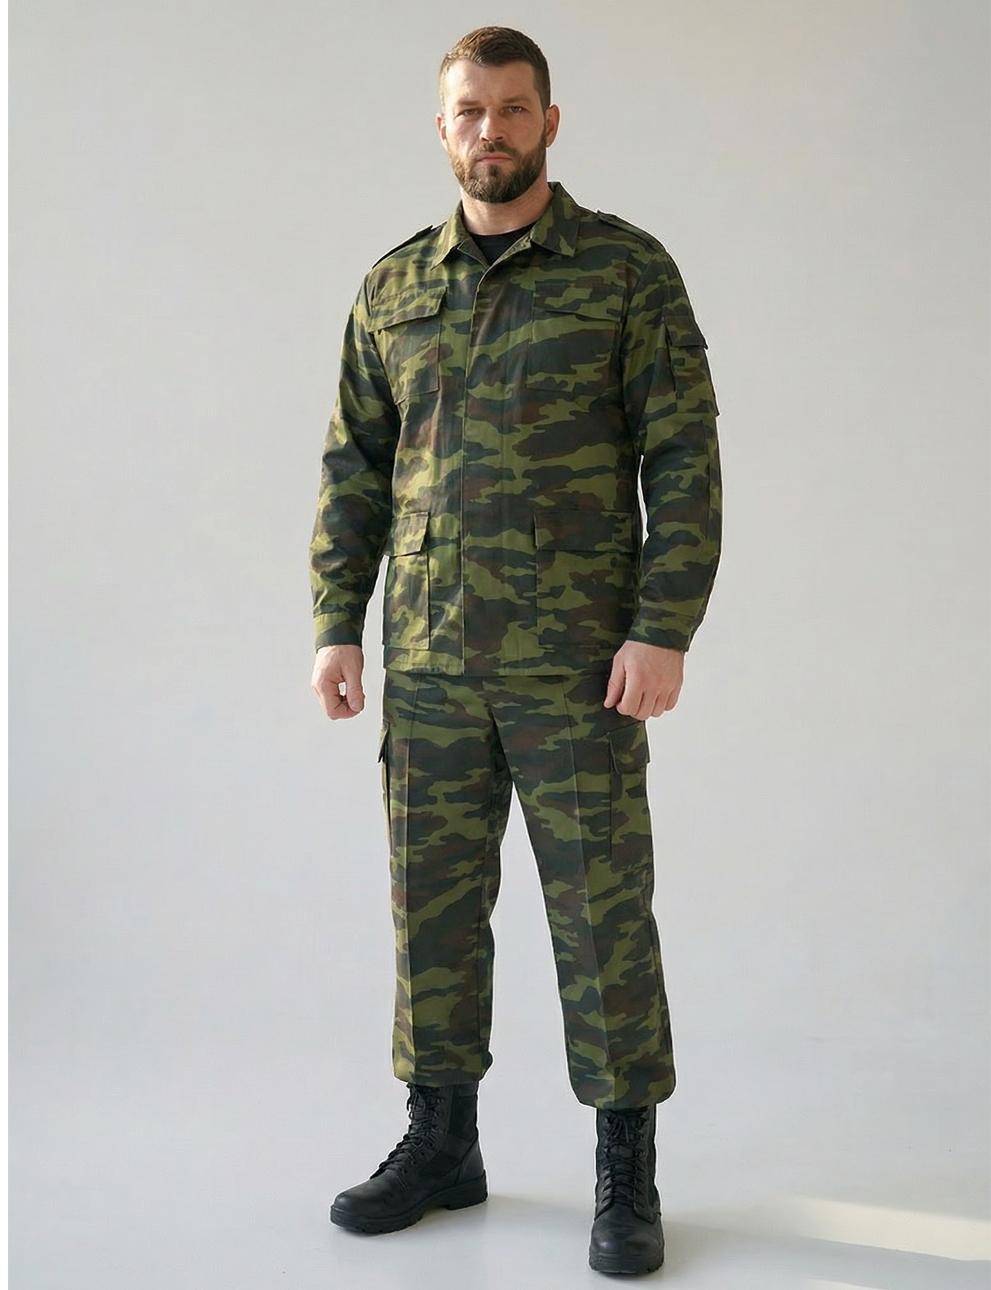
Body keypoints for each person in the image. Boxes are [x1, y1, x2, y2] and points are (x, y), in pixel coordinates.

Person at [309, 24, 721, 1277]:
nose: (489, 130)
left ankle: (625, 1170)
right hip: (428, 660)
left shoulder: (623, 271)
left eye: (511, 108)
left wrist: (662, 625)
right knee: (432, 909)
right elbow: (354, 468)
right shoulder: (394, 287)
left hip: (577, 663)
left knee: (601, 914)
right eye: (469, 111)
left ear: (550, 121)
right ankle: (443, 1143)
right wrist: (335, 622)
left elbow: (682, 457)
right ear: (442, 129)